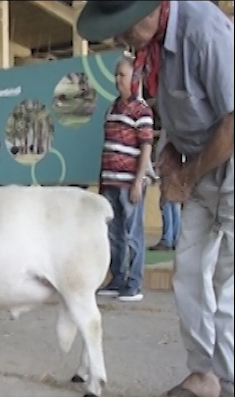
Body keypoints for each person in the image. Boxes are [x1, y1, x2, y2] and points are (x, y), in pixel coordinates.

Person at [77, 2, 234, 397]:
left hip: (225, 163)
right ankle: (203, 373)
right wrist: (170, 150)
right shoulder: (153, 46)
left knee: (230, 283)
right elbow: (177, 110)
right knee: (189, 270)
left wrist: (188, 175)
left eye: (121, 27)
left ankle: (229, 378)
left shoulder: (204, 30)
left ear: (149, 9)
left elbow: (233, 119)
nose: (117, 38)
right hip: (198, 165)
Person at [96, 54, 154, 303]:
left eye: (122, 75)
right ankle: (117, 279)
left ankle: (134, 284)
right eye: (116, 75)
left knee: (133, 235)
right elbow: (107, 146)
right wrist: (101, 183)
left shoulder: (142, 110)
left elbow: (146, 148)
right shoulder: (111, 108)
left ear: (134, 78)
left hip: (129, 183)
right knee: (115, 235)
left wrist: (138, 182)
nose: (117, 79)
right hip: (110, 182)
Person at [149, 129, 181, 251]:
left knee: (166, 203)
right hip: (174, 168)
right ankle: (174, 238)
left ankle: (167, 238)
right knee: (173, 204)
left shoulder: (171, 125)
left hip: (169, 168)